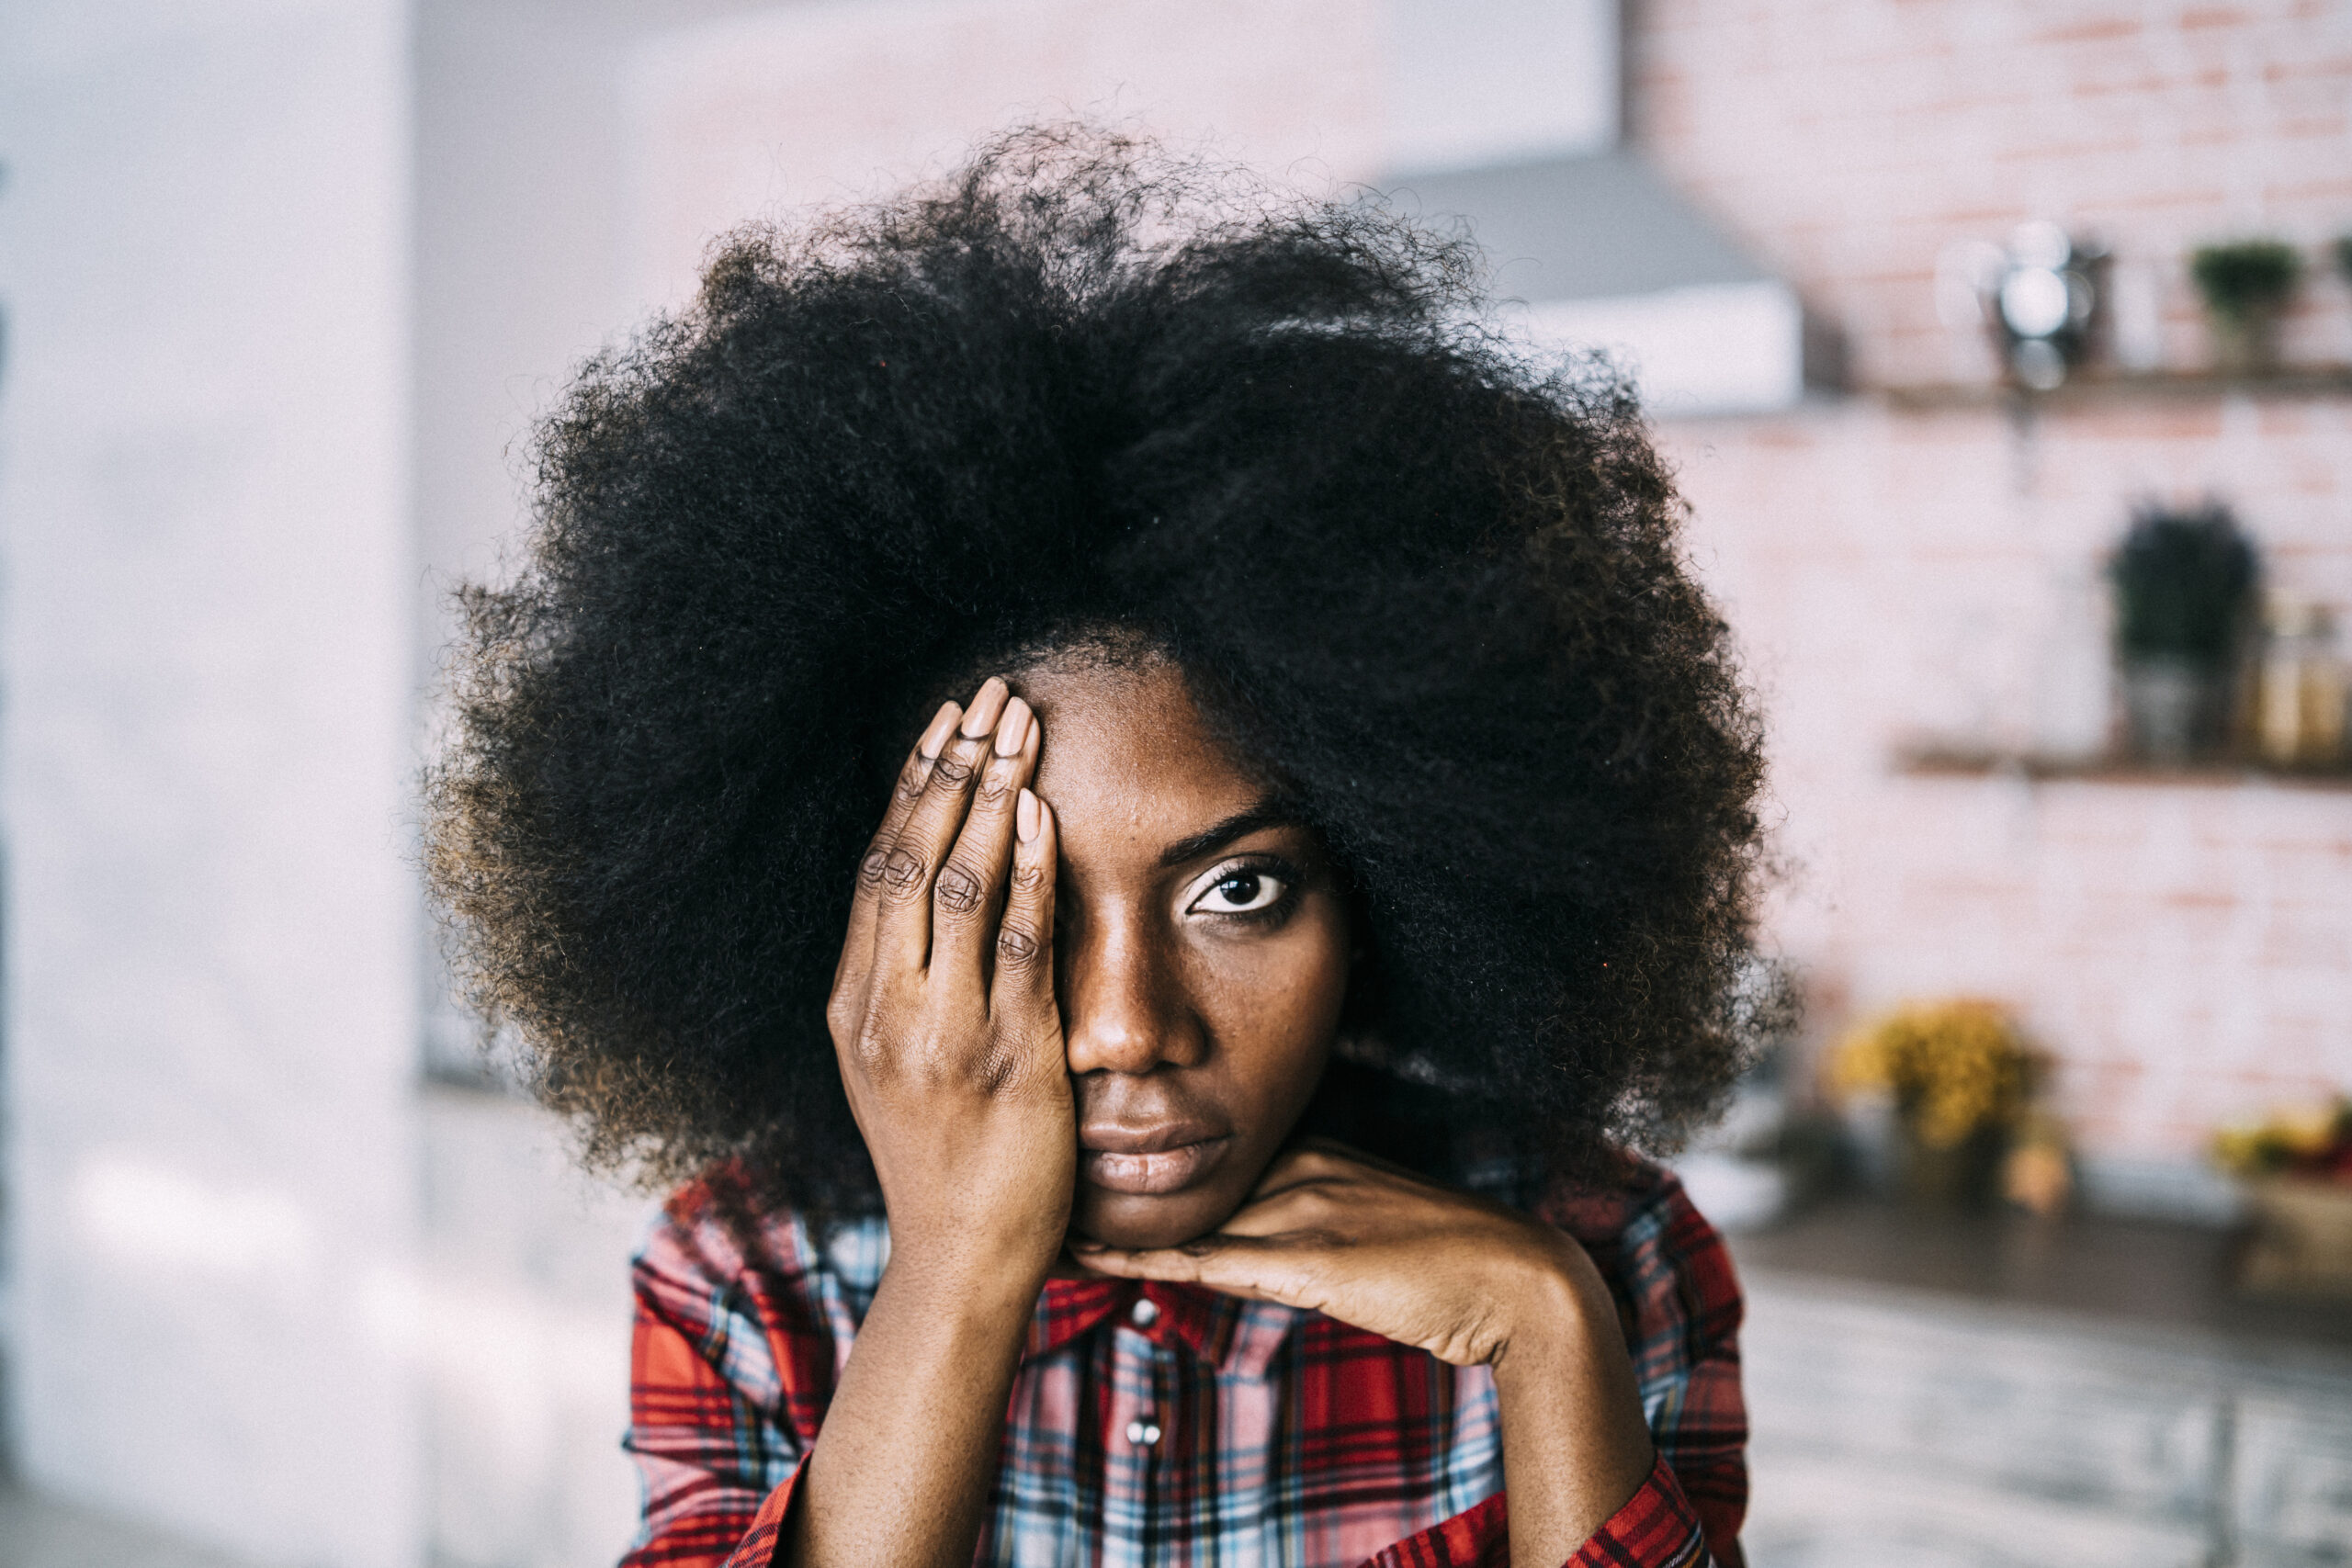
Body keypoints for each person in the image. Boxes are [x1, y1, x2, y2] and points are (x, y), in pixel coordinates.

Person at [425, 128, 1766, 1568]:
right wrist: (952, 1277)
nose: (1127, 1030)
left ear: (1388, 889)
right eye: (1011, 901)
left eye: (1239, 889)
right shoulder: (752, 1276)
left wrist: (1549, 1338)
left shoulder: (1599, 1253)